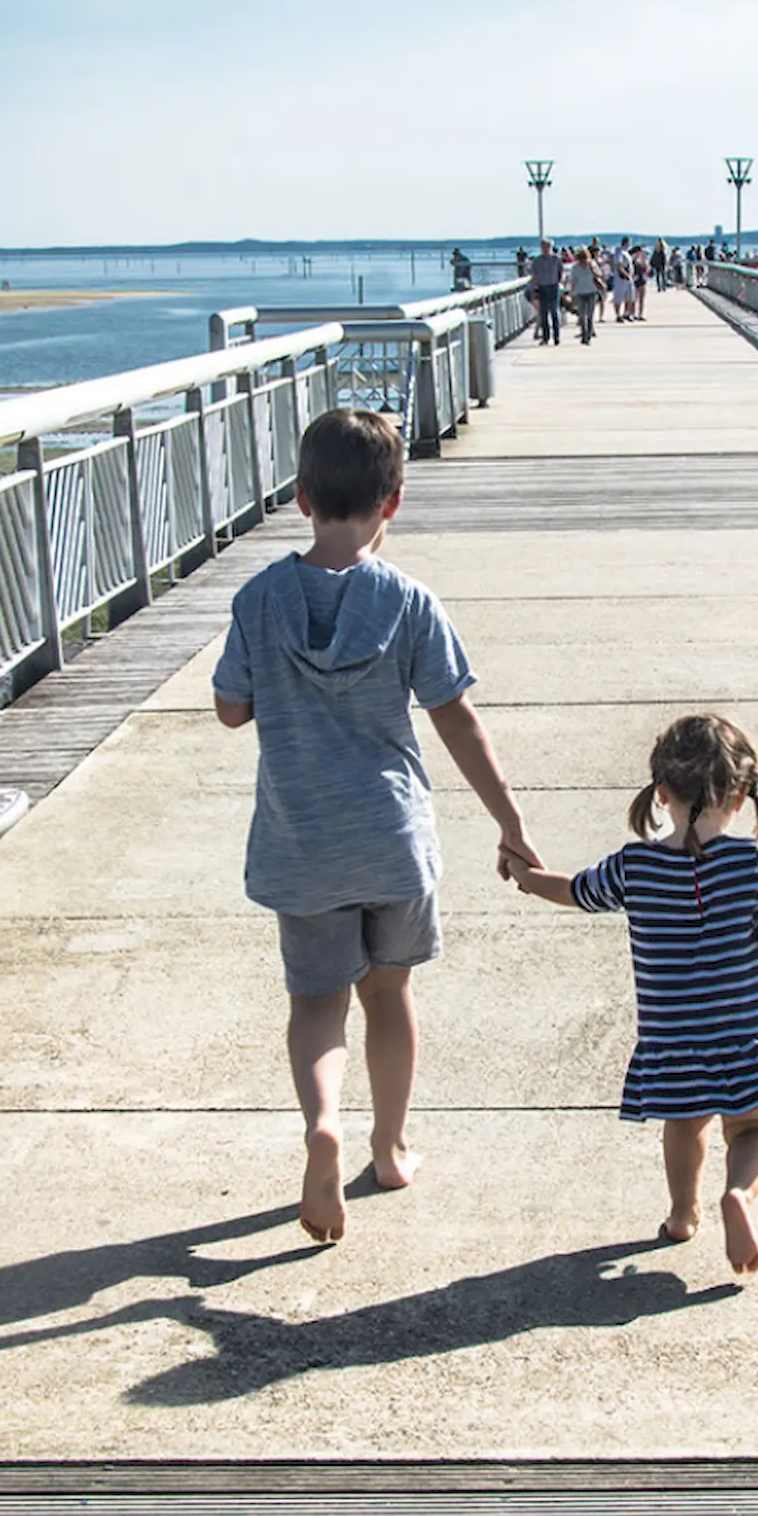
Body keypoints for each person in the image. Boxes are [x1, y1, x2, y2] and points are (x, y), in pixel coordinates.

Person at [213, 408, 538, 1243]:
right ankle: (389, 1147)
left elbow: (231, 709)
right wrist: (509, 819)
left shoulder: (259, 600)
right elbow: (457, 719)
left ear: (299, 498)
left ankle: (321, 1124)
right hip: (391, 838)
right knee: (389, 993)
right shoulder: (408, 600)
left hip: (303, 843)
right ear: (393, 501)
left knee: (316, 1002)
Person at [504, 713, 758, 1276]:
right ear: (739, 796)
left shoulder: (635, 866)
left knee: (684, 1126)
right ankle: (739, 1196)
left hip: (674, 1041)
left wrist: (526, 875)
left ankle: (683, 1215)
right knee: (753, 1130)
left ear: (661, 795)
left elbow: (576, 891)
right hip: (746, 1037)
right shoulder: (751, 864)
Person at [527, 239, 564, 346]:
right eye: (543, 247)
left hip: (553, 287)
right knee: (543, 314)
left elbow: (561, 272)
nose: (545, 249)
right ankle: (545, 337)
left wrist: (561, 283)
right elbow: (534, 277)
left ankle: (556, 337)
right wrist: (533, 289)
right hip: (542, 288)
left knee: (554, 312)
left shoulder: (556, 259)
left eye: (548, 247)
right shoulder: (537, 261)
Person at [568, 246, 600, 342]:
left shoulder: (592, 264)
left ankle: (588, 335)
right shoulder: (575, 267)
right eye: (581, 259)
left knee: (590, 315)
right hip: (579, 293)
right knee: (581, 316)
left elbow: (599, 274)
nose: (583, 261)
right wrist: (572, 294)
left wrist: (592, 269)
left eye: (584, 259)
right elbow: (573, 281)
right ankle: (584, 333)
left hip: (592, 291)